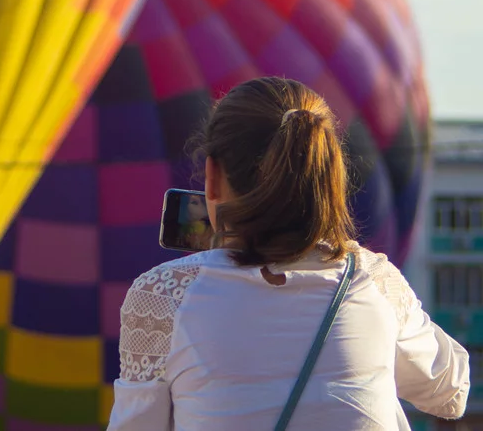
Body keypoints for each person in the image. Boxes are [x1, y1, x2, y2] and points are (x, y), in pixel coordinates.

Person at [107, 77, 469, 431]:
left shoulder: (165, 297)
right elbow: (452, 392)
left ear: (213, 175)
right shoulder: (372, 282)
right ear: (327, 173)